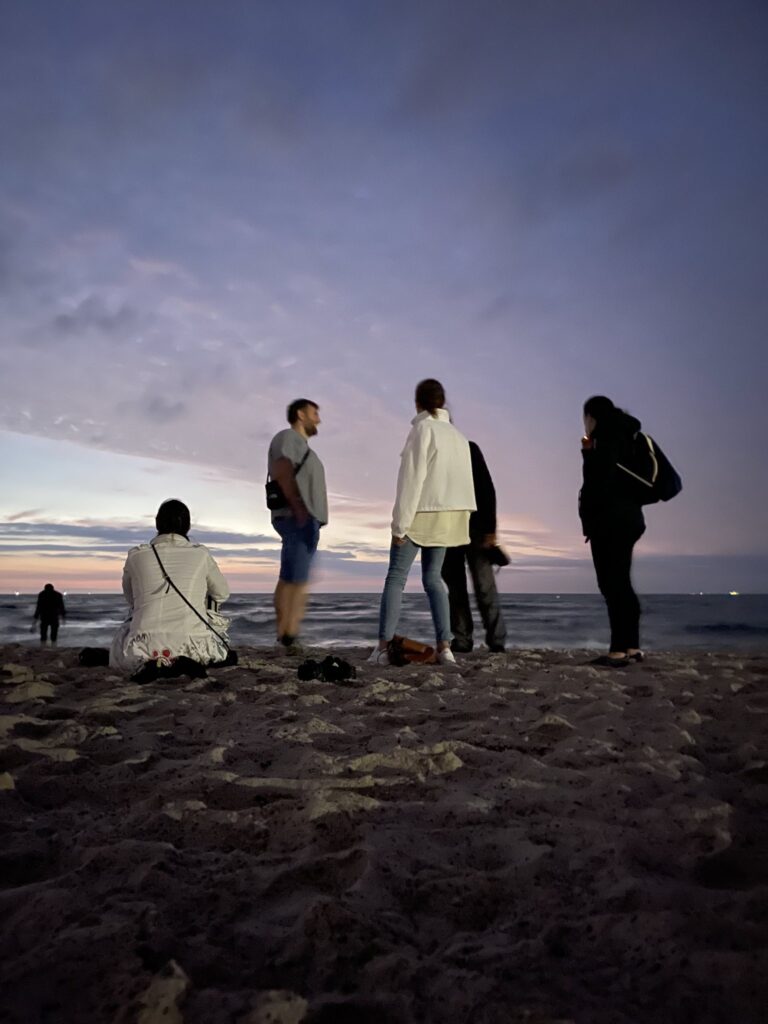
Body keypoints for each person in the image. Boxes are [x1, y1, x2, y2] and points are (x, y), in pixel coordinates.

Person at [369, 379, 476, 666]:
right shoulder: (458, 436)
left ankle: (381, 648)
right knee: (433, 579)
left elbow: (411, 480)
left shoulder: (422, 429)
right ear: (442, 402)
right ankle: (445, 648)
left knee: (396, 577)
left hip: (421, 514)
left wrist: (398, 525)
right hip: (449, 517)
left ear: (418, 403)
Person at [110, 499, 230, 674]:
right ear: (188, 526)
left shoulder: (136, 556)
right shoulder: (200, 555)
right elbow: (222, 594)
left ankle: (157, 662)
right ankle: (180, 656)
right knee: (212, 596)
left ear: (157, 523)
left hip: (141, 647)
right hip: (193, 646)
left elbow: (131, 600)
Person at [579, 395, 646, 667]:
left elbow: (599, 480)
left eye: (585, 418)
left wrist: (587, 453)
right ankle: (632, 646)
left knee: (611, 584)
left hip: (610, 521)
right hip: (630, 518)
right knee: (622, 582)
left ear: (592, 417)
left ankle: (618, 649)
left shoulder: (606, 437)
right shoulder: (629, 435)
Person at [268, 398, 328, 650]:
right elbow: (281, 468)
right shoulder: (287, 438)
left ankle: (284, 634)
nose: (319, 419)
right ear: (301, 415)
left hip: (301, 517)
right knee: (298, 579)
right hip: (297, 516)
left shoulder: (303, 447)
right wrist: (299, 507)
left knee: (290, 575)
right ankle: (290, 635)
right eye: (315, 413)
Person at [441, 441, 507, 653]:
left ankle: (495, 640)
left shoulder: (468, 448)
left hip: (474, 527)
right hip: (448, 529)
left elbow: (486, 487)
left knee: (483, 585)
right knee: (457, 588)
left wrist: (490, 530)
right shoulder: (432, 454)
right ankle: (462, 640)